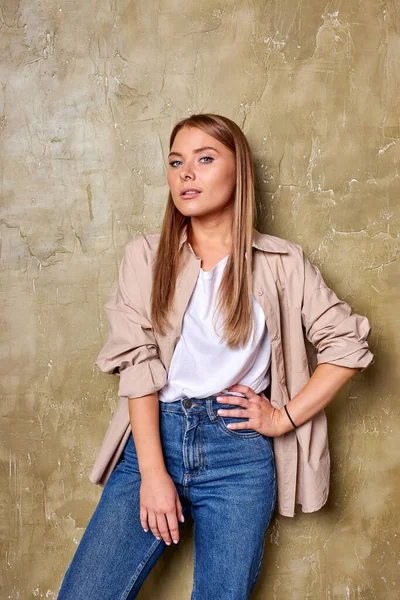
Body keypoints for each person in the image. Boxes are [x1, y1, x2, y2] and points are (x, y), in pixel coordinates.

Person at [57, 114, 374, 600]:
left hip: (237, 454)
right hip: (152, 440)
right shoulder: (144, 257)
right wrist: (154, 474)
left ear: (239, 171)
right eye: (176, 162)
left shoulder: (282, 263)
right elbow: (138, 368)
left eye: (205, 159)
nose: (187, 173)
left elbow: (347, 347)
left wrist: (283, 417)